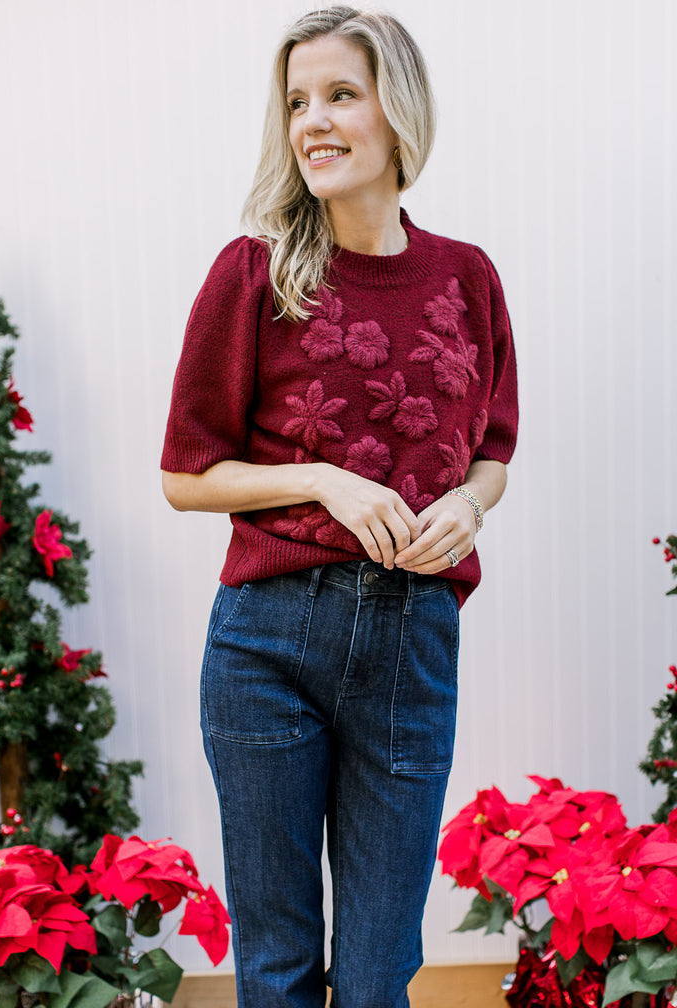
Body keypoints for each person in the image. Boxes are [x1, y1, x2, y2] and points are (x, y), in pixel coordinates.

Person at [161, 7, 518, 1006]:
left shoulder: (467, 277)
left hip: (413, 641)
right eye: (296, 102)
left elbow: (494, 451)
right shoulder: (255, 274)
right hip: (267, 643)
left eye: (339, 94)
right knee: (275, 966)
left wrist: (471, 506)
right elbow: (187, 474)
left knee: (378, 971)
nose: (311, 121)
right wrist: (321, 477)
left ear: (397, 112)